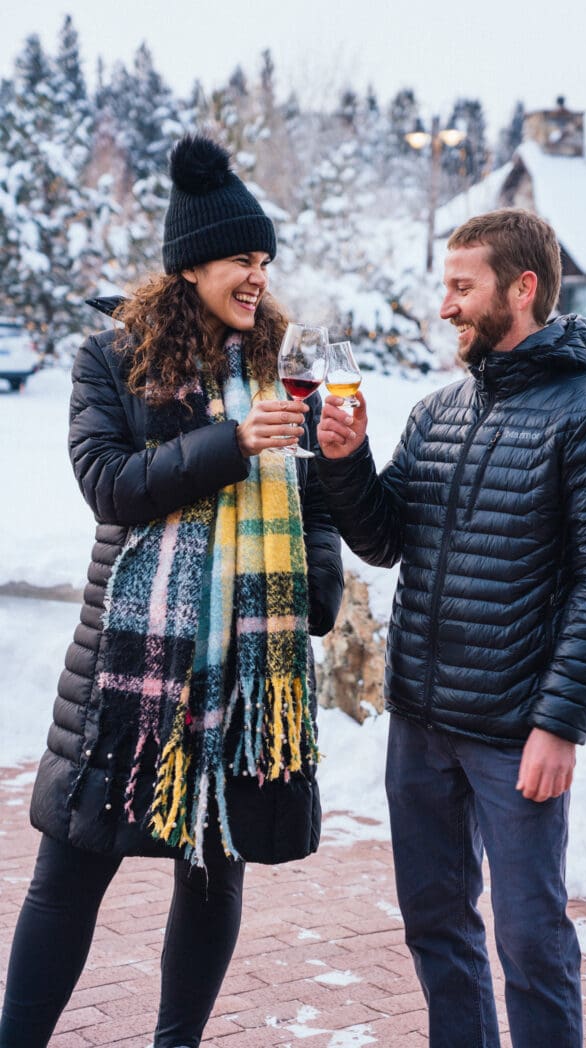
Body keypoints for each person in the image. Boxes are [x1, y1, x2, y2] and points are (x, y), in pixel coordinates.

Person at [0, 134, 344, 1048]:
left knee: (214, 864)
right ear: (192, 266)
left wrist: (319, 575)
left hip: (238, 667)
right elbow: (109, 484)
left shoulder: (275, 366)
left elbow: (308, 503)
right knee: (69, 872)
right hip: (130, 673)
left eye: (265, 261)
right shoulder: (111, 358)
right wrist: (232, 444)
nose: (257, 277)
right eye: (242, 259)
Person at [316, 208, 586, 1048]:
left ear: (523, 288)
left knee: (532, 943)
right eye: (445, 287)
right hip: (422, 724)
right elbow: (388, 539)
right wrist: (348, 460)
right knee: (436, 927)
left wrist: (560, 724)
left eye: (462, 287)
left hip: (515, 733)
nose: (445, 307)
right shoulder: (438, 412)